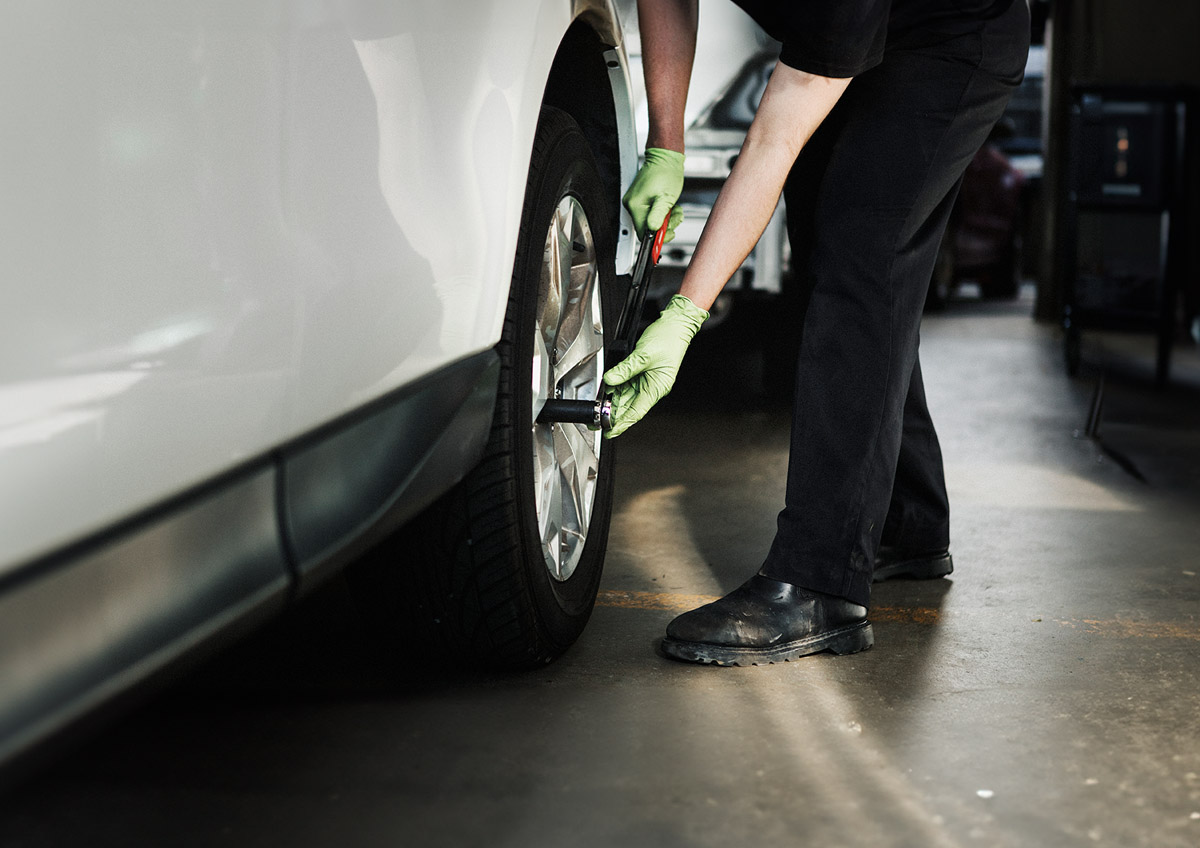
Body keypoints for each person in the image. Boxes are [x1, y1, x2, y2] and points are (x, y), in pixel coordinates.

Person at [603, 0, 1030, 665]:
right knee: (836, 261)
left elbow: (772, 140)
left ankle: (820, 580)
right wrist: (667, 141)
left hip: (954, 40)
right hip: (866, 36)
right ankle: (907, 523)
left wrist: (684, 315)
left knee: (860, 264)